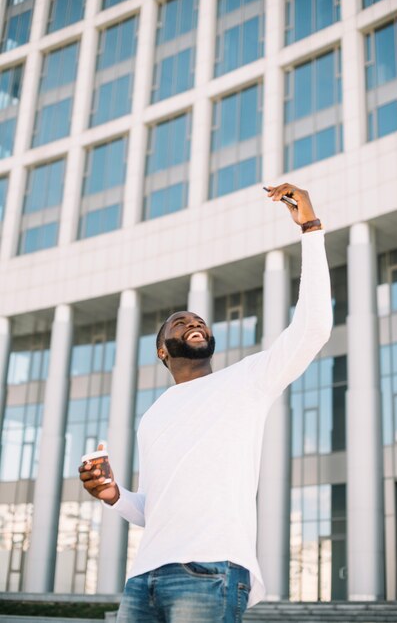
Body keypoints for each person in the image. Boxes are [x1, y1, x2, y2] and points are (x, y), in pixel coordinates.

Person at [79, 183, 333, 623]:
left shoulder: (247, 381)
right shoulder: (153, 415)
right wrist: (114, 495)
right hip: (143, 580)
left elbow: (312, 328)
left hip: (210, 572)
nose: (194, 323)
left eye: (199, 321)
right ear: (163, 350)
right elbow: (157, 508)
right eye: (181, 323)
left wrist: (310, 228)